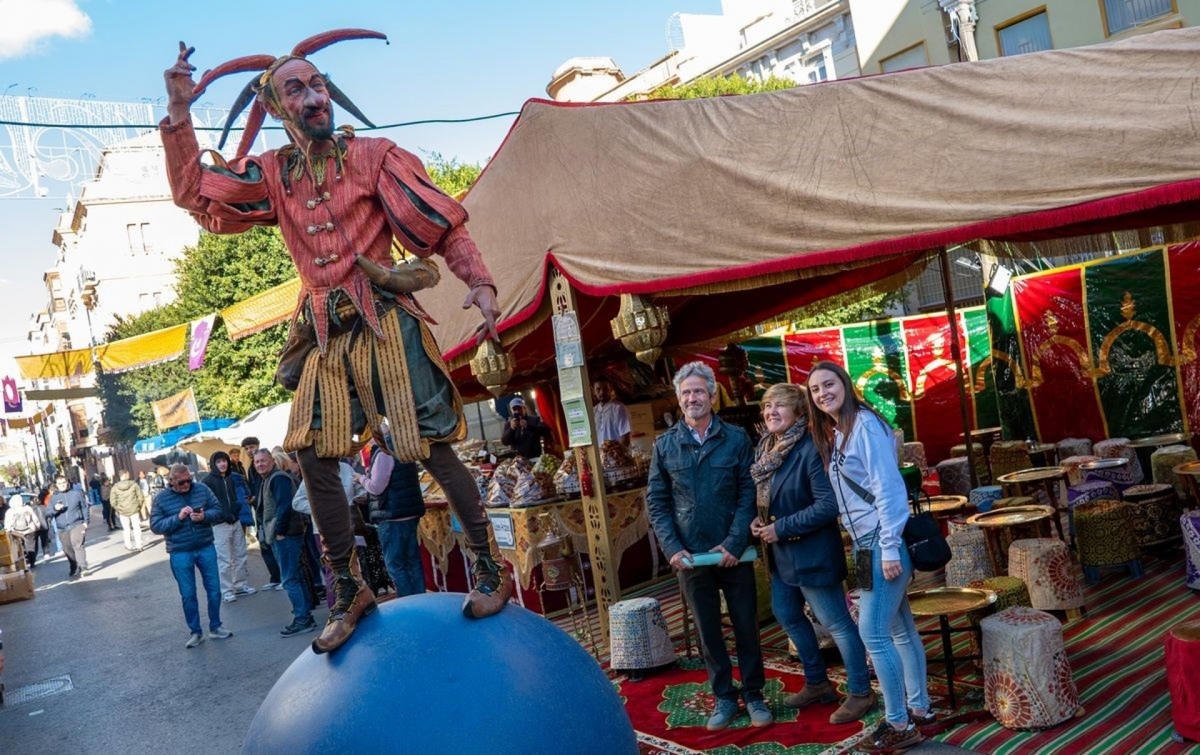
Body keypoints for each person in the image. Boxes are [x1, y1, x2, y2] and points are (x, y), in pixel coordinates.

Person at [162, 33, 511, 654]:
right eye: (296, 88)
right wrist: (181, 117)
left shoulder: (377, 155)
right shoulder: (271, 175)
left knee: (426, 444)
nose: (314, 96)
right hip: (322, 331)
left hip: (386, 321)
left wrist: (479, 280)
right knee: (314, 454)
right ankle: (349, 588)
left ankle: (488, 568)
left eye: (318, 83)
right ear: (276, 108)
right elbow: (197, 194)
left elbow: (439, 223)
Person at [806, 361, 930, 751]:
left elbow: (888, 487)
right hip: (865, 543)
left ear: (844, 384)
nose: (823, 393)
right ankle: (920, 709)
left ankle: (899, 724)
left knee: (872, 632)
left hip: (880, 541)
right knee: (899, 629)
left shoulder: (864, 425)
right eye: (815, 390)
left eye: (829, 384)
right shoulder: (840, 432)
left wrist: (891, 546)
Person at [646, 361, 771, 731]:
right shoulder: (665, 445)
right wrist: (671, 547)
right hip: (690, 557)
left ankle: (754, 695)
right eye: (686, 393)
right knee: (707, 630)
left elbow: (749, 492)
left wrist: (735, 541)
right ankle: (723, 697)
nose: (692, 398)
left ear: (713, 396)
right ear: (679, 399)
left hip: (733, 554)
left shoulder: (735, 439)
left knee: (746, 625)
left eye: (699, 391)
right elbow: (657, 501)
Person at [749, 384, 875, 725]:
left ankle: (861, 692)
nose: (771, 412)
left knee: (836, 623)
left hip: (812, 552)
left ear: (799, 412)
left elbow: (828, 505)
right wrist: (758, 521)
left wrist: (781, 527)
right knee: (786, 613)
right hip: (779, 556)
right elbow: (768, 497)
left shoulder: (810, 448)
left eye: (780, 406)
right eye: (766, 406)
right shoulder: (766, 448)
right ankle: (817, 683)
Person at [150, 464, 233, 648]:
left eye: (189, 480)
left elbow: (218, 510)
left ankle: (216, 626)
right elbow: (156, 526)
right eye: (182, 482)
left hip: (205, 545)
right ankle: (195, 632)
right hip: (180, 550)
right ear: (171, 481)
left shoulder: (201, 489)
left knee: (214, 589)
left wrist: (204, 516)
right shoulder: (161, 499)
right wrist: (178, 518)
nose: (187, 484)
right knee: (188, 594)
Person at [255, 449, 316, 637]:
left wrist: (279, 531)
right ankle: (305, 614)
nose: (259, 464)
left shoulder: (278, 478)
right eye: (257, 462)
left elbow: (284, 506)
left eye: (263, 461)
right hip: (283, 534)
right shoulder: (270, 479)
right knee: (294, 575)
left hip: (286, 534)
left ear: (272, 461)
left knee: (289, 578)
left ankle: (303, 618)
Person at [361, 438, 426, 597]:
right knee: (413, 563)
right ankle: (421, 600)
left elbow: (376, 487)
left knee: (396, 565)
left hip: (392, 516)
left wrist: (361, 479)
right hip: (409, 513)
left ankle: (408, 604)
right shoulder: (403, 447)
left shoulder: (384, 453)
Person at [201, 451, 256, 603]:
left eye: (224, 461)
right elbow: (205, 504)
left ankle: (240, 585)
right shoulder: (207, 482)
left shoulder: (232, 478)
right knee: (224, 559)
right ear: (213, 464)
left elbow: (236, 497)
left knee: (240, 554)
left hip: (235, 521)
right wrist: (216, 516)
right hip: (219, 525)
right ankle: (226, 590)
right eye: (218, 462)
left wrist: (237, 507)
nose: (222, 464)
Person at [242, 437, 282, 592]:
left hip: (268, 509)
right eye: (247, 448)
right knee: (263, 542)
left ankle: (281, 577)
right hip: (258, 509)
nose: (250, 450)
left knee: (273, 542)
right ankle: (275, 577)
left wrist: (257, 498)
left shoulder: (268, 466)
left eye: (252, 447)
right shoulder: (250, 466)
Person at [49, 476, 90, 578]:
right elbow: (48, 513)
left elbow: (84, 507)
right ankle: (73, 565)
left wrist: (86, 522)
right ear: (56, 485)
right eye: (59, 483)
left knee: (78, 545)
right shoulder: (54, 498)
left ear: (67, 482)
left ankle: (83, 567)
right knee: (68, 550)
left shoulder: (76, 494)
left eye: (64, 482)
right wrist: (55, 509)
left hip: (77, 524)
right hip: (62, 528)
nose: (62, 485)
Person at [110, 471, 147, 551]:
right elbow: (140, 497)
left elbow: (113, 501)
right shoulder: (134, 484)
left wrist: (118, 508)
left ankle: (128, 545)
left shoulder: (115, 487)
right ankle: (139, 545)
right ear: (125, 475)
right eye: (128, 473)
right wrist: (138, 506)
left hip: (122, 511)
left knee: (126, 529)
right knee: (136, 527)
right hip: (134, 509)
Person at [4, 494, 43, 569]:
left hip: (16, 533)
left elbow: (8, 523)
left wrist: (8, 530)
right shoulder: (27, 508)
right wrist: (37, 526)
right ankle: (32, 562)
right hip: (29, 530)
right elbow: (35, 518)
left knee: (19, 548)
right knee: (31, 547)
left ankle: (23, 562)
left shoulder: (10, 511)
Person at [593, 378, 631, 447]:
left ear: (610, 389)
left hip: (616, 456)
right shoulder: (593, 411)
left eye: (605, 389)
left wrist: (617, 454)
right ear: (594, 391)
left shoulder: (619, 408)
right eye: (598, 389)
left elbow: (625, 437)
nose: (602, 392)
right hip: (599, 457)